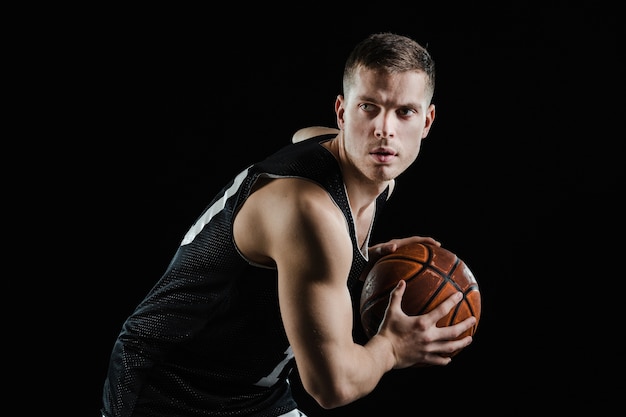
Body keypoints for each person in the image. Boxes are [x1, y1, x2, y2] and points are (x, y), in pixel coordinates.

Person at [101, 32, 476, 417]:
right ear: (342, 112)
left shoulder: (359, 166)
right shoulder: (309, 212)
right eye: (369, 107)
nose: (385, 129)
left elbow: (303, 137)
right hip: (168, 391)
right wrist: (392, 348)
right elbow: (332, 386)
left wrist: (355, 258)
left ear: (427, 121)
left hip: (253, 391)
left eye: (404, 112)